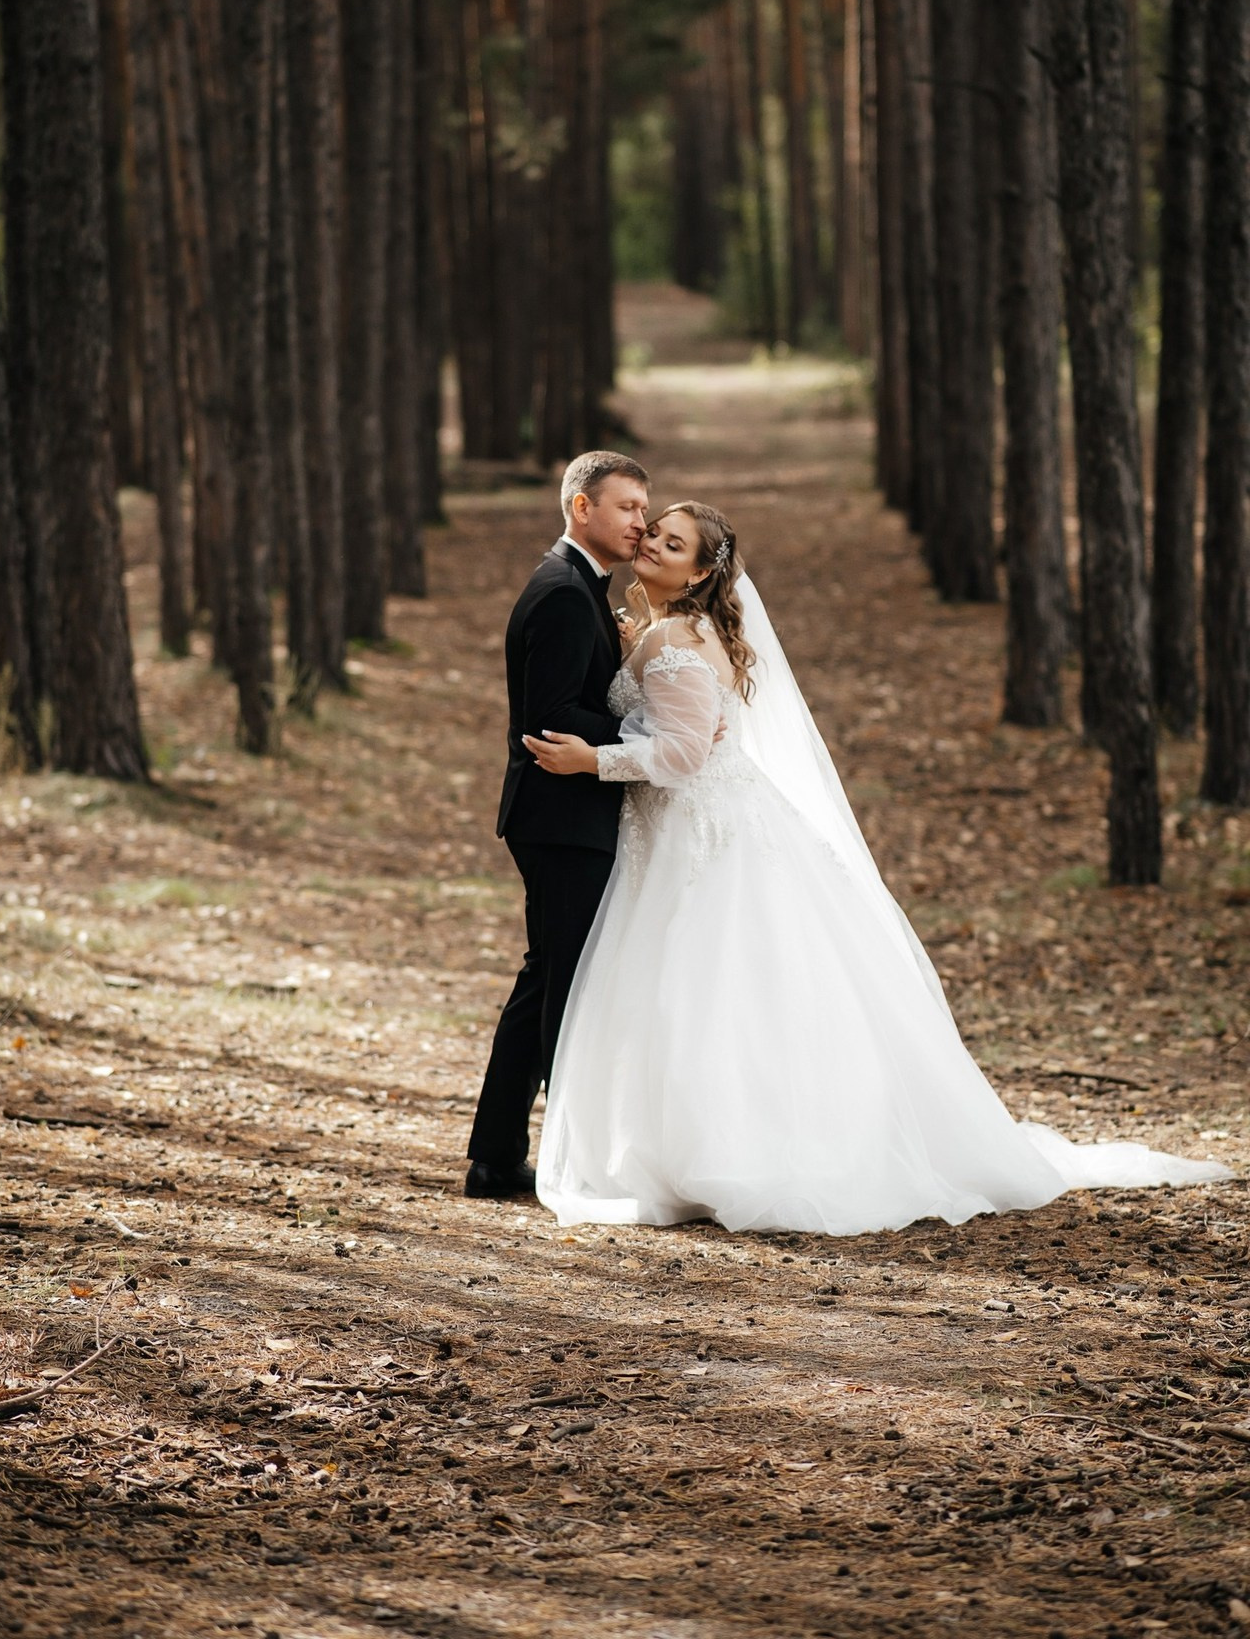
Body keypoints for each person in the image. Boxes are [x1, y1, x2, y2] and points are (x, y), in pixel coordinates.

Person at [524, 502, 1231, 1234]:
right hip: (707, 823)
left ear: (703, 570)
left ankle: (720, 1151)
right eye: (656, 535)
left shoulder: (676, 636)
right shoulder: (685, 631)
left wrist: (592, 758)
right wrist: (643, 644)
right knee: (720, 984)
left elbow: (682, 755)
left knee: (701, 982)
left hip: (695, 832)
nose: (654, 546)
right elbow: (686, 719)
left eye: (673, 544)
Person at [464, 450, 651, 1199]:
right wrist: (648, 731)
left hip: (562, 817)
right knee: (563, 987)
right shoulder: (563, 594)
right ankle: (555, 1158)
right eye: (627, 507)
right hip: (561, 819)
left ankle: (496, 1156)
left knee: (546, 984)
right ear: (582, 508)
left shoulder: (583, 587)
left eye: (645, 508)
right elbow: (551, 720)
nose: (641, 521)